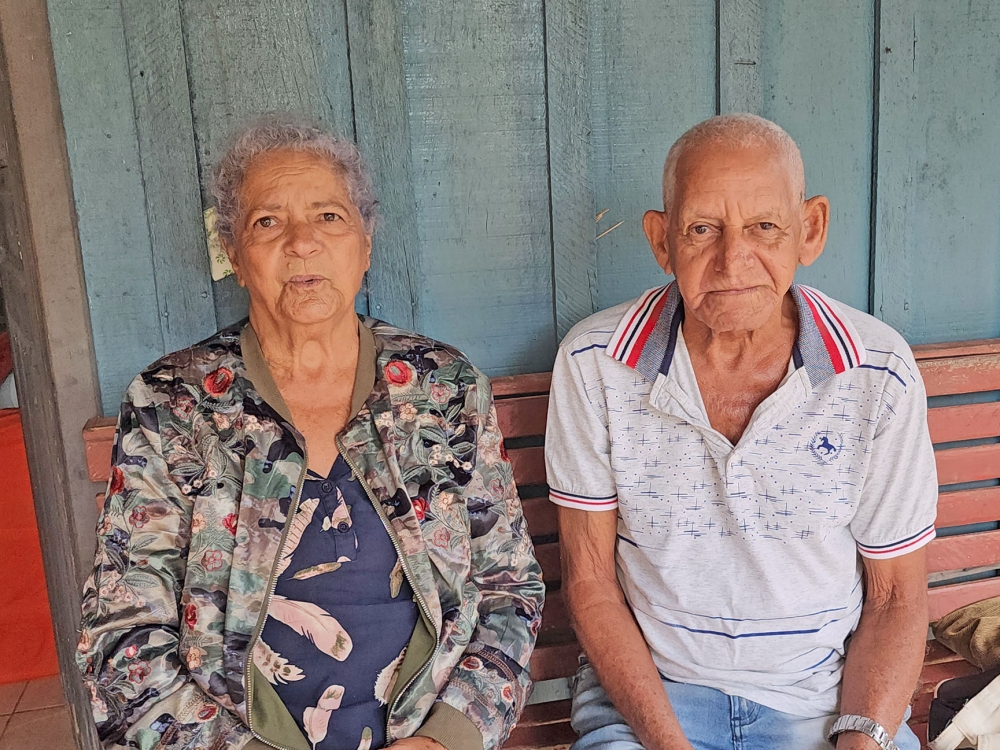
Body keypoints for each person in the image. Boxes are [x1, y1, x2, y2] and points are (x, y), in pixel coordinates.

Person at [76, 117, 544, 750]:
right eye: (268, 222)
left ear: (365, 245)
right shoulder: (174, 404)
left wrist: (449, 739)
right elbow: (121, 629)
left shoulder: (441, 387)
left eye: (329, 217)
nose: (302, 242)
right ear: (235, 257)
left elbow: (507, 586)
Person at [545, 114, 935, 750]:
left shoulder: (876, 372)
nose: (733, 260)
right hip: (652, 700)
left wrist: (860, 739)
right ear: (661, 239)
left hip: (821, 701)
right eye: (702, 229)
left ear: (809, 230)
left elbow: (895, 600)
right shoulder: (595, 361)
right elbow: (589, 580)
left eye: (764, 228)